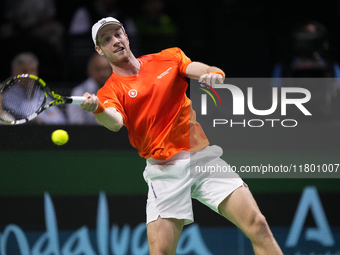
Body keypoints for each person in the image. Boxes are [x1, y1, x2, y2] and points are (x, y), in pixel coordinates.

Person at [80, 17, 283, 254]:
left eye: (117, 34)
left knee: (258, 225)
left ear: (126, 35)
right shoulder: (110, 91)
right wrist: (97, 108)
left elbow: (198, 69)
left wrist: (212, 73)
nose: (114, 41)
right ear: (99, 49)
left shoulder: (168, 57)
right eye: (106, 39)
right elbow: (114, 122)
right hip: (165, 172)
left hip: (203, 159)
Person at [9, 52, 66, 125]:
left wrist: (41, 119)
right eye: (24, 71)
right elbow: (24, 121)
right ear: (14, 73)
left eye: (32, 70)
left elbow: (61, 119)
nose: (29, 75)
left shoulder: (41, 94)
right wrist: (47, 117)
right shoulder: (6, 97)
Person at [67, 54, 111, 125]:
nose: (103, 73)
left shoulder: (118, 90)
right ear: (89, 71)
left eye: (106, 69)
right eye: (98, 69)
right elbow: (75, 123)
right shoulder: (78, 92)